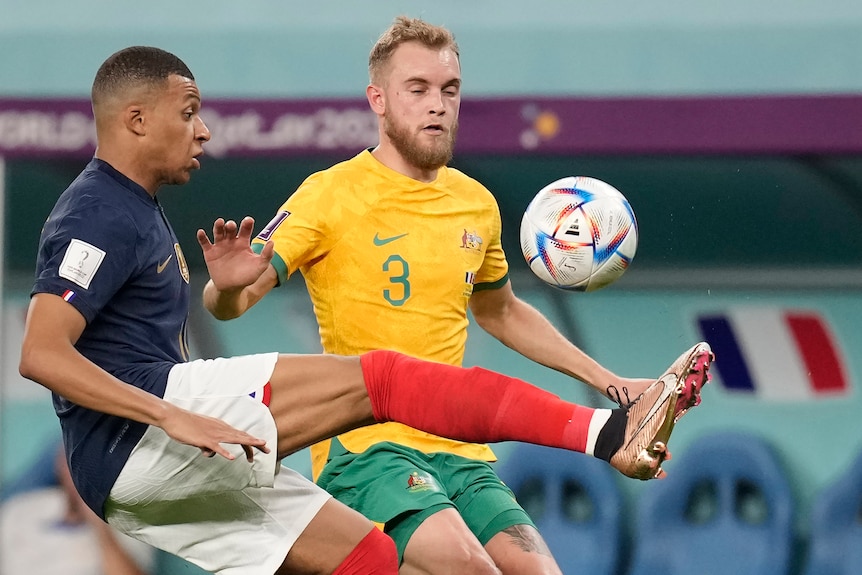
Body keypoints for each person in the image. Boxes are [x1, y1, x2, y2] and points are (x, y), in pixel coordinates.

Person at [21, 45, 711, 575]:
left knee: (370, 561)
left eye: (450, 89)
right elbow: (42, 353)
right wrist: (166, 411)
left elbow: (499, 310)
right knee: (387, 380)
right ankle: (608, 432)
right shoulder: (98, 211)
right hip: (149, 434)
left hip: (134, 474)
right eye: (189, 110)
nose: (203, 130)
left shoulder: (134, 209)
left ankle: (617, 417)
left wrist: (220, 295)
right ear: (135, 119)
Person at [0, 443, 153, 575]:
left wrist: (95, 518)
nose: (81, 473)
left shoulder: (127, 518)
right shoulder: (19, 510)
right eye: (72, 461)